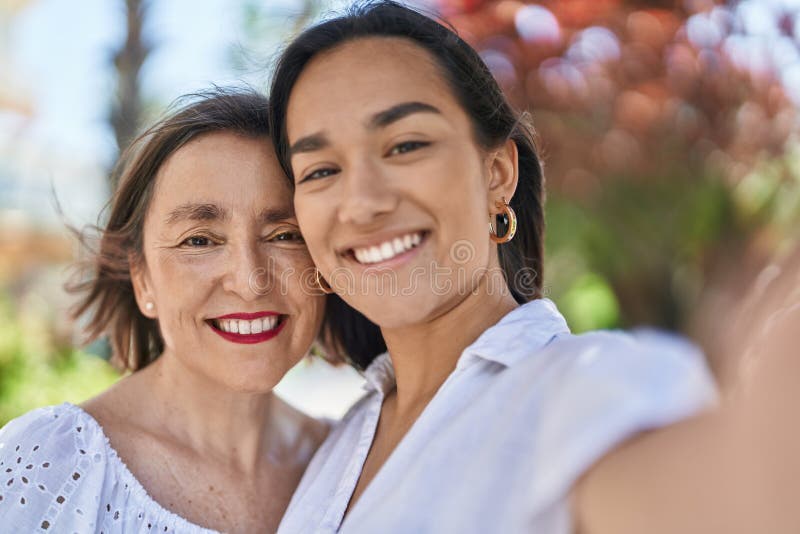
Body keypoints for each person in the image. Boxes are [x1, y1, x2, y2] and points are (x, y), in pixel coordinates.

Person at [267, 3, 720, 533]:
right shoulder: (335, 445)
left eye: (406, 145)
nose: (362, 203)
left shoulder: (595, 385)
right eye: (321, 170)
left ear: (499, 174)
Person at [0, 89, 329, 533]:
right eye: (199, 240)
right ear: (142, 278)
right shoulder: (49, 468)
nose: (251, 282)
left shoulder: (357, 461)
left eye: (285, 234)